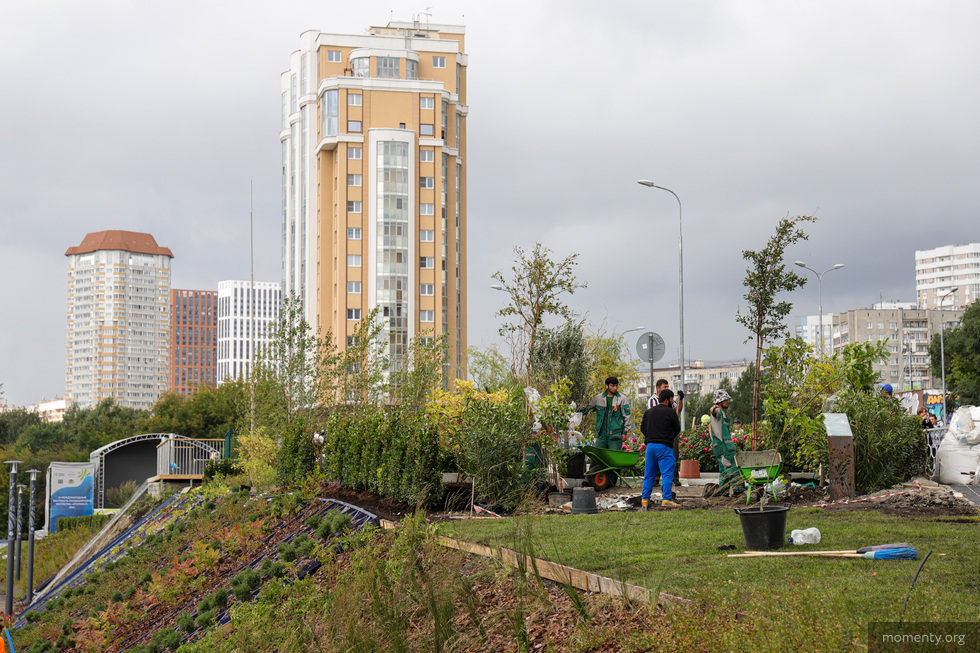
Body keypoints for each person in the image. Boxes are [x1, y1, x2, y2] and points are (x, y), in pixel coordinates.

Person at [640, 388, 682, 509]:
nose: (673, 401)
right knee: (667, 474)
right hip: (664, 447)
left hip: (650, 447)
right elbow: (677, 429)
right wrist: (668, 437)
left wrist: (650, 437)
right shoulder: (670, 412)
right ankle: (667, 499)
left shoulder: (648, 412)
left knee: (649, 475)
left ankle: (645, 500)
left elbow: (643, 428)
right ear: (668, 399)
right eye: (672, 399)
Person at [579, 376, 633, 451]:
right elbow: (587, 409)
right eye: (612, 386)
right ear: (607, 386)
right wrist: (574, 412)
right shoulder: (598, 399)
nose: (615, 388)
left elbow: (627, 416)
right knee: (600, 456)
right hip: (601, 434)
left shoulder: (622, 399)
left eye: (616, 385)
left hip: (615, 434)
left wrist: (625, 432)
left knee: (613, 457)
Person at [708, 389, 744, 495]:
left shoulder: (722, 413)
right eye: (725, 399)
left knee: (724, 469)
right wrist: (712, 409)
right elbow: (713, 412)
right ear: (719, 401)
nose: (728, 401)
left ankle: (723, 491)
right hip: (724, 447)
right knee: (731, 467)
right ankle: (738, 490)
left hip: (722, 446)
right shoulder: (718, 411)